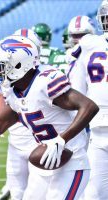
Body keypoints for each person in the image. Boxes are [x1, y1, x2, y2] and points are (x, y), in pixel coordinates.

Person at [0, 35, 99, 199]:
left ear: (20, 63)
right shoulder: (14, 92)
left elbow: (89, 106)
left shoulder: (45, 82)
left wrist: (62, 139)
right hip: (47, 164)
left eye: (3, 65)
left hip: (71, 160)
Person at [0, 28, 40, 200]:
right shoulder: (8, 75)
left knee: (36, 193)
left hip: (37, 138)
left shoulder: (43, 78)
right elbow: (0, 97)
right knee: (16, 190)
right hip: (16, 138)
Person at [70, 1, 108, 199]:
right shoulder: (88, 44)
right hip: (98, 133)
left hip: (97, 129)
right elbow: (78, 92)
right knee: (94, 194)